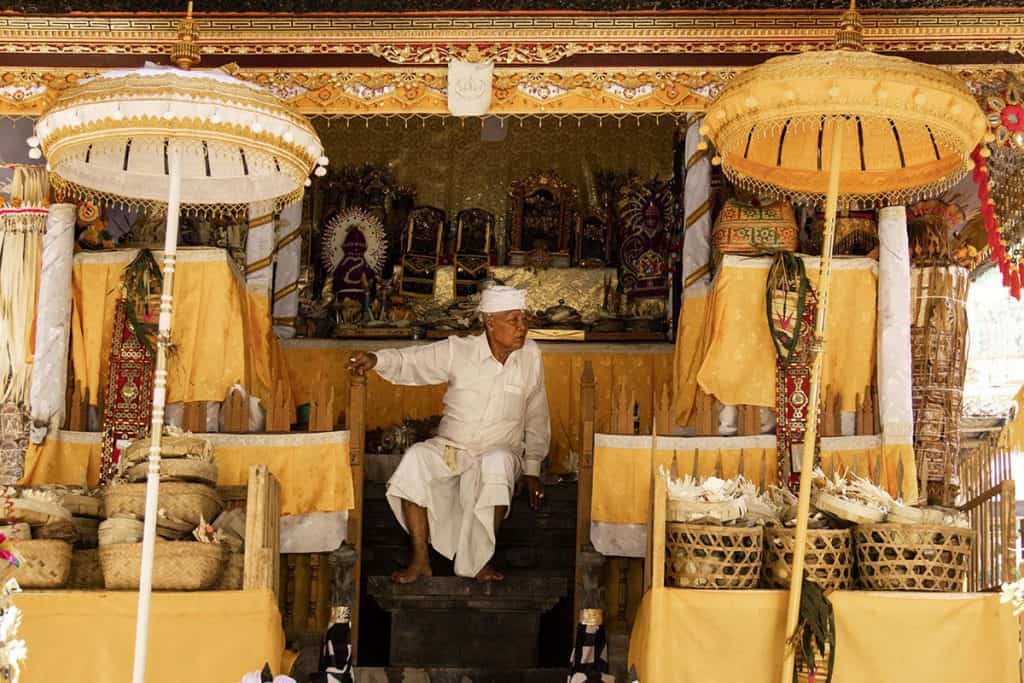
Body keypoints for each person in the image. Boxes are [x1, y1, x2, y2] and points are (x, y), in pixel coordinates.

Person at [348, 285, 549, 584]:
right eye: (514, 319)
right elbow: (414, 361)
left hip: (500, 451)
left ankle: (480, 562)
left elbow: (536, 412)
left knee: (498, 463)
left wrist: (532, 468)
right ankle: (420, 561)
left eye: (524, 319)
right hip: (453, 450)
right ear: (490, 322)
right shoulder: (459, 350)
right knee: (416, 459)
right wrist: (377, 360)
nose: (522, 328)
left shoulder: (530, 355)